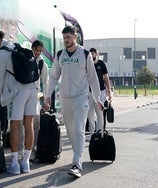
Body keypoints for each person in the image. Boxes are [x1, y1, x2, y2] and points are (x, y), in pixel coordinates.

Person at [44, 26, 103, 178]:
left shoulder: (84, 54)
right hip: (65, 98)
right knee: (70, 131)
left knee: (78, 129)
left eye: (68, 38)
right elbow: (54, 76)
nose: (66, 41)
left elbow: (93, 78)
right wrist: (47, 95)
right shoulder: (60, 55)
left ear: (75, 37)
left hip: (81, 97)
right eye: (64, 38)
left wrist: (97, 98)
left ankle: (77, 163)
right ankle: (77, 158)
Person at [0, 30, 38, 175]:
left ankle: (14, 164)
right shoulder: (16, 46)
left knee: (14, 125)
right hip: (32, 89)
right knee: (29, 125)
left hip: (17, 92)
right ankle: (25, 162)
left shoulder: (1, 55)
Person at [18, 40, 48, 161]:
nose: (38, 53)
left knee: (34, 125)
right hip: (22, 95)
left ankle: (31, 150)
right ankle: (20, 150)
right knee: (20, 124)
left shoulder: (42, 64)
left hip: (35, 97)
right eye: (37, 50)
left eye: (40, 51)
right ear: (32, 48)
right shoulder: (24, 58)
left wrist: (46, 100)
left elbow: (45, 83)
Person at [86, 48, 112, 141]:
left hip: (101, 91)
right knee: (90, 113)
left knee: (100, 113)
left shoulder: (101, 64)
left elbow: (106, 78)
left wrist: (109, 92)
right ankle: (92, 132)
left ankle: (99, 131)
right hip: (89, 91)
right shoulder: (88, 64)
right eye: (91, 53)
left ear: (97, 54)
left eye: (94, 53)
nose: (92, 55)